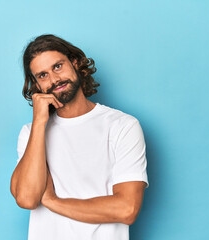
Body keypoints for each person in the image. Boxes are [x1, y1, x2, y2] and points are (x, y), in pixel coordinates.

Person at [10, 34, 149, 240]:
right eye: (42, 75)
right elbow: (27, 199)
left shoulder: (122, 126)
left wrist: (50, 200)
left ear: (74, 63)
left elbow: (127, 209)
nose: (54, 79)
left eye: (58, 66)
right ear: (36, 85)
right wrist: (39, 122)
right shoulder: (31, 133)